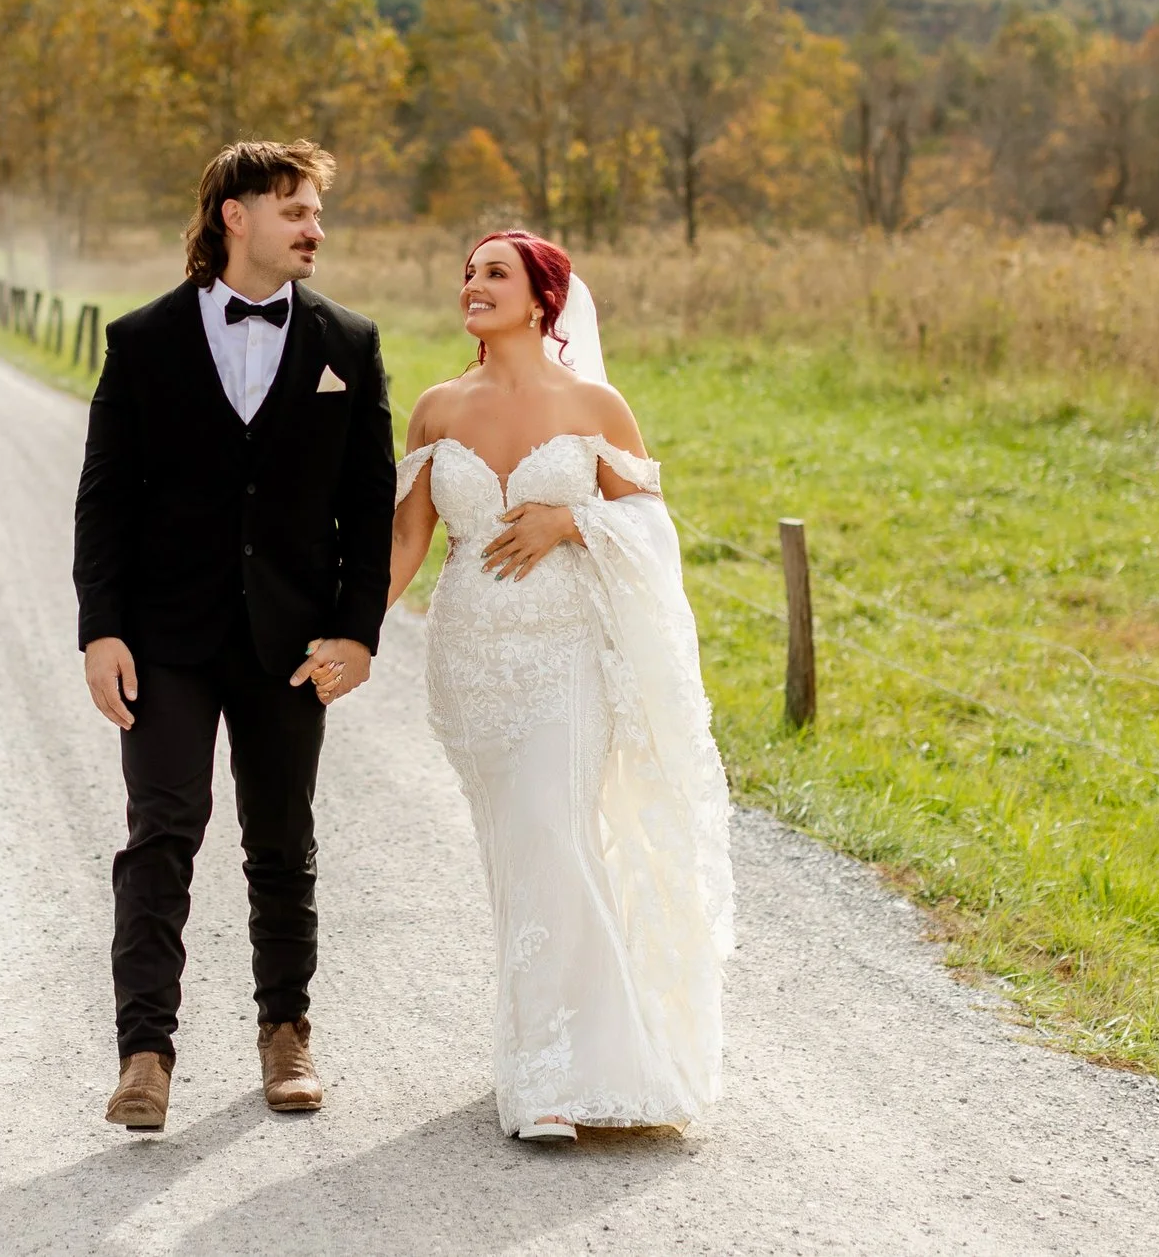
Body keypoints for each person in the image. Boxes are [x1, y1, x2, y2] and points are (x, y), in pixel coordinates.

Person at [72, 140, 395, 1132]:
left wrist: (357, 631)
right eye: (293, 207)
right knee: (160, 834)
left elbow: (368, 505)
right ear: (235, 216)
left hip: (290, 643)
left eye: (317, 210)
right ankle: (144, 1054)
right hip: (165, 636)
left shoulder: (350, 341)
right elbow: (105, 501)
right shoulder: (142, 340)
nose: (314, 228)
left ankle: (286, 1033)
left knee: (282, 842)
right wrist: (102, 629)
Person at [387, 231, 736, 1141]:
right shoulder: (435, 408)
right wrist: (346, 632)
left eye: (494, 273)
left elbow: (649, 525)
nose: (472, 284)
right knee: (520, 848)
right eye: (466, 271)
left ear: (544, 298)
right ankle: (537, 1050)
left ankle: (560, 1077)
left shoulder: (594, 402)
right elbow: (405, 544)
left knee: (555, 827)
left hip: (568, 655)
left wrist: (569, 519)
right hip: (471, 663)